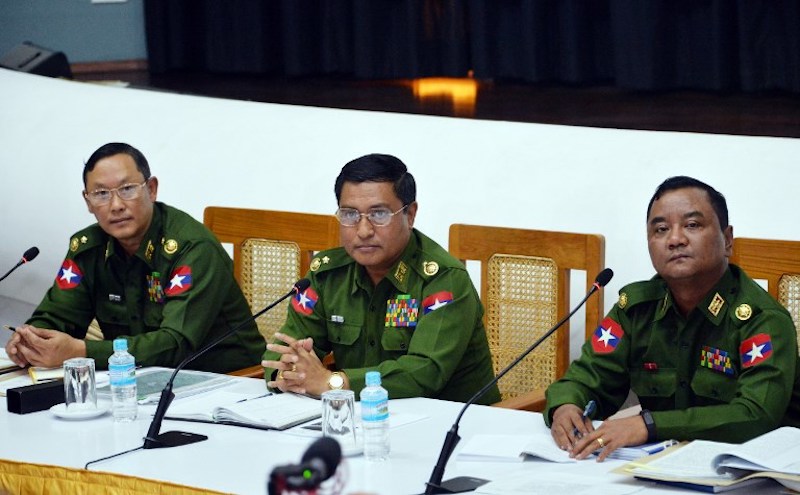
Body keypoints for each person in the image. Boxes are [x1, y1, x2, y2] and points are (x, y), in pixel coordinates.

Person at [545, 176, 800, 461]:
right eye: (661, 229)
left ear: (727, 240)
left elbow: (755, 415)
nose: (675, 239)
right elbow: (588, 377)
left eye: (692, 225)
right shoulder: (636, 310)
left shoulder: (761, 320)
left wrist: (650, 425)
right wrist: (565, 407)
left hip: (755, 471)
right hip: (658, 466)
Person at [4, 142, 264, 373]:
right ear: (88, 201)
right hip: (137, 379)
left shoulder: (192, 248)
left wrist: (82, 352)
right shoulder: (87, 248)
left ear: (151, 189)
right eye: (101, 194)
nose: (116, 205)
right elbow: (57, 317)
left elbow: (175, 344)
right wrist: (31, 339)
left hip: (225, 379)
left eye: (127, 189)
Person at [261, 153, 500, 403]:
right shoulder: (325, 275)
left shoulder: (443, 280)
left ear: (410, 214)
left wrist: (333, 382)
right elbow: (283, 353)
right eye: (350, 215)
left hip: (452, 422)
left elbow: (425, 373)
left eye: (379, 214)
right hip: (361, 417)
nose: (363, 231)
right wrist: (289, 370)